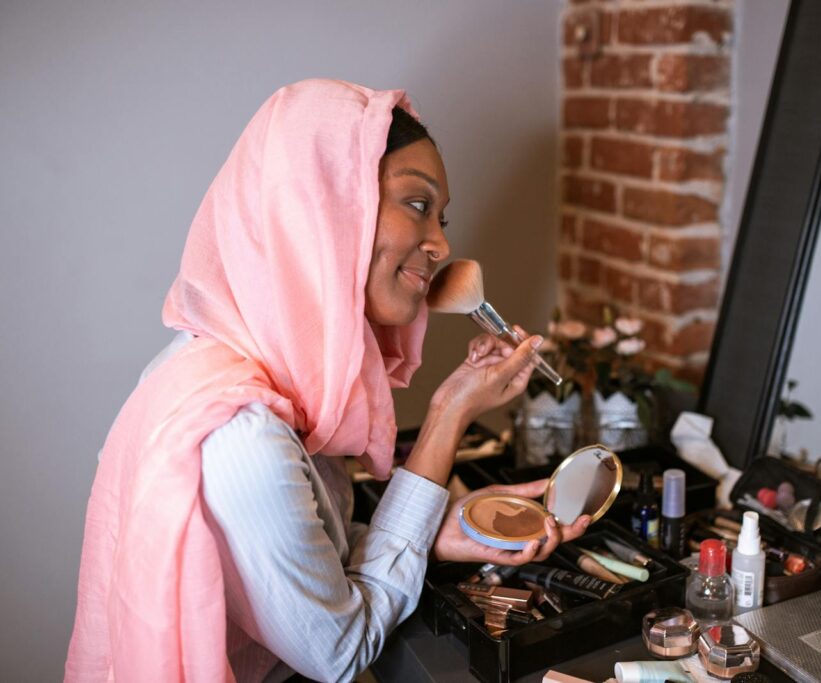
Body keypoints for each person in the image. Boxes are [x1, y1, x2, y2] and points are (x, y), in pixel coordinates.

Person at [65, 79, 588, 683]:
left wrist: (433, 533)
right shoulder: (241, 434)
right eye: (418, 205)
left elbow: (301, 553)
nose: (442, 244)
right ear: (323, 208)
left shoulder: (213, 365)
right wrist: (449, 412)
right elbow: (339, 648)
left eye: (442, 218)